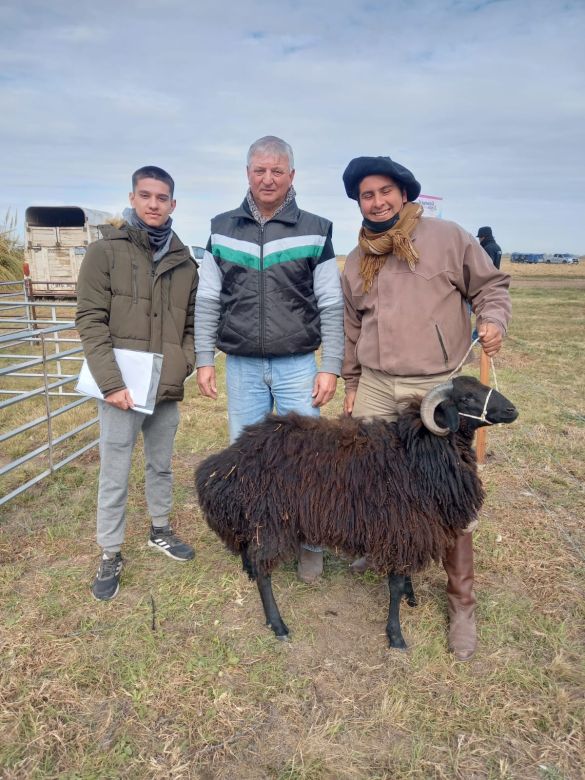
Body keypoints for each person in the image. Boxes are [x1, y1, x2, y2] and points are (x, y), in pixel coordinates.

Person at [341, 155, 511, 661]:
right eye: (367, 195)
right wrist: (351, 383)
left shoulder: (447, 237)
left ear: (404, 193)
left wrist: (493, 319)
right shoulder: (356, 259)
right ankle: (387, 551)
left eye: (385, 191)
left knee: (449, 490)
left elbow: (490, 286)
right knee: (374, 478)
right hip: (375, 383)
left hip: (435, 385)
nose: (377, 201)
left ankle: (462, 600)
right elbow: (353, 328)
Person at [195, 135, 344, 584]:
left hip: (298, 363)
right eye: (259, 170)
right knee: (248, 456)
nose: (268, 178)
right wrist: (205, 358)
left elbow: (331, 304)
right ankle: (259, 533)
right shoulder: (222, 229)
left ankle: (312, 541)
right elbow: (207, 300)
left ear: (292, 176)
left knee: (309, 455)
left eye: (277, 170)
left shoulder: (316, 229)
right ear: (247, 173)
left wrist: (330, 364)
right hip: (241, 366)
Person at [76, 165, 199, 601]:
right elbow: (90, 320)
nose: (153, 204)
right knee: (115, 470)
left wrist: (182, 362)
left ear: (173, 204)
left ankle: (160, 529)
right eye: (145, 195)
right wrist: (111, 383)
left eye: (161, 197)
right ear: (132, 198)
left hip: (163, 387)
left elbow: (191, 322)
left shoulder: (185, 262)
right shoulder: (104, 252)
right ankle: (110, 551)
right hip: (121, 389)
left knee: (161, 463)